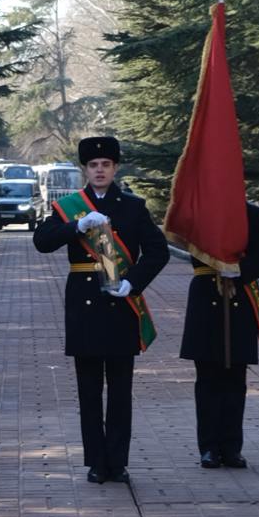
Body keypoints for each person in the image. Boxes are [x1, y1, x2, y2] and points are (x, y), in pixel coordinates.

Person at [33, 135, 169, 485]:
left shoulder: (133, 206)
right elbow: (42, 242)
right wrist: (76, 226)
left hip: (121, 303)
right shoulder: (69, 206)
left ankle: (118, 462)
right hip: (84, 304)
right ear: (85, 169)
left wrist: (133, 282)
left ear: (115, 168)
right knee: (89, 389)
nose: (99, 170)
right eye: (93, 165)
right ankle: (95, 461)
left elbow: (158, 251)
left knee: (121, 389)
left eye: (105, 164)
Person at [179, 201, 259, 469]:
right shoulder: (198, 211)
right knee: (207, 376)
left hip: (239, 295)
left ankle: (232, 447)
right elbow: (190, 246)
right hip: (206, 296)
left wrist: (238, 272)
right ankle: (208, 447)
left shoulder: (252, 214)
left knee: (235, 377)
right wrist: (218, 263)